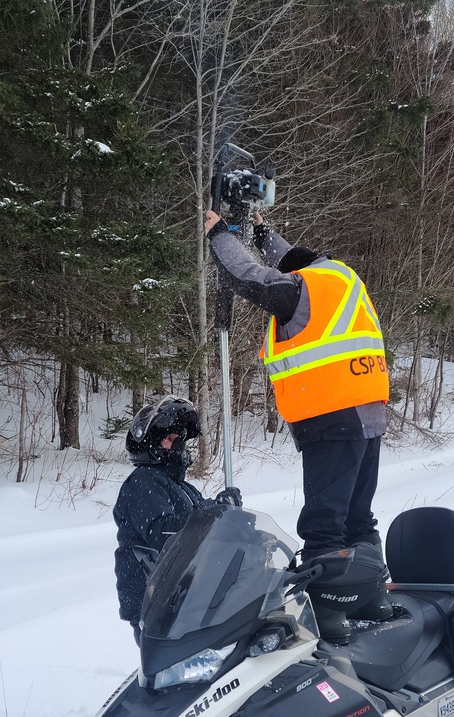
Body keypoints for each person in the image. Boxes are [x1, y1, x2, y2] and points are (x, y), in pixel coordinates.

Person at [203, 207, 392, 642]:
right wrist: (261, 231)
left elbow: (248, 276)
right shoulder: (341, 278)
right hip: (367, 412)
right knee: (358, 518)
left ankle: (328, 614)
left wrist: (219, 235)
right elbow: (287, 256)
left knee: (324, 523)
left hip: (332, 415)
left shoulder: (304, 290)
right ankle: (370, 597)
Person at [112, 396, 238, 640]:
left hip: (188, 597)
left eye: (178, 440)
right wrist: (216, 512)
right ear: (149, 442)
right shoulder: (142, 483)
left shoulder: (181, 487)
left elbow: (203, 522)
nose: (177, 446)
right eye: (169, 439)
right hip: (157, 601)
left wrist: (233, 518)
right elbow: (165, 532)